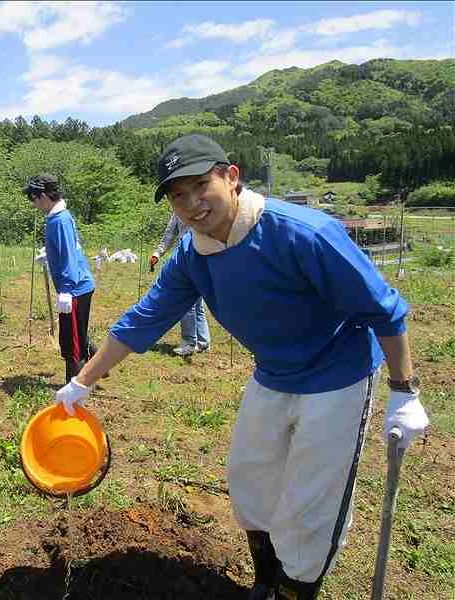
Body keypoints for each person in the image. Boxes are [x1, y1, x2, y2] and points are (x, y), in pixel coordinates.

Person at [55, 134, 429, 600]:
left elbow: (384, 309)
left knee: (312, 504)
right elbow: (143, 321)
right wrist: (81, 382)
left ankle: (297, 589)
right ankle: (266, 581)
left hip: (338, 376)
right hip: (273, 373)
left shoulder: (303, 234)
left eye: (200, 186)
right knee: (249, 480)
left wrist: (403, 389)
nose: (192, 204)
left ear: (231, 177)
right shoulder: (195, 255)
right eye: (177, 195)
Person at [24, 173, 95, 384]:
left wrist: (66, 289)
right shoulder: (57, 216)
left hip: (75, 288)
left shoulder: (60, 219)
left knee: (71, 341)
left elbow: (69, 257)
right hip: (76, 285)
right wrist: (49, 253)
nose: (33, 203)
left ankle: (74, 387)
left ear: (44, 196)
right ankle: (100, 368)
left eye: (34, 198)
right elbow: (66, 248)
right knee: (77, 333)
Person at [150, 212, 211, 356]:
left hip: (201, 258)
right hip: (185, 258)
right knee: (196, 304)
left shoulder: (204, 208)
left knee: (187, 302)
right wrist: (157, 254)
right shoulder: (178, 212)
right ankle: (203, 342)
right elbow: (170, 234)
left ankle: (190, 343)